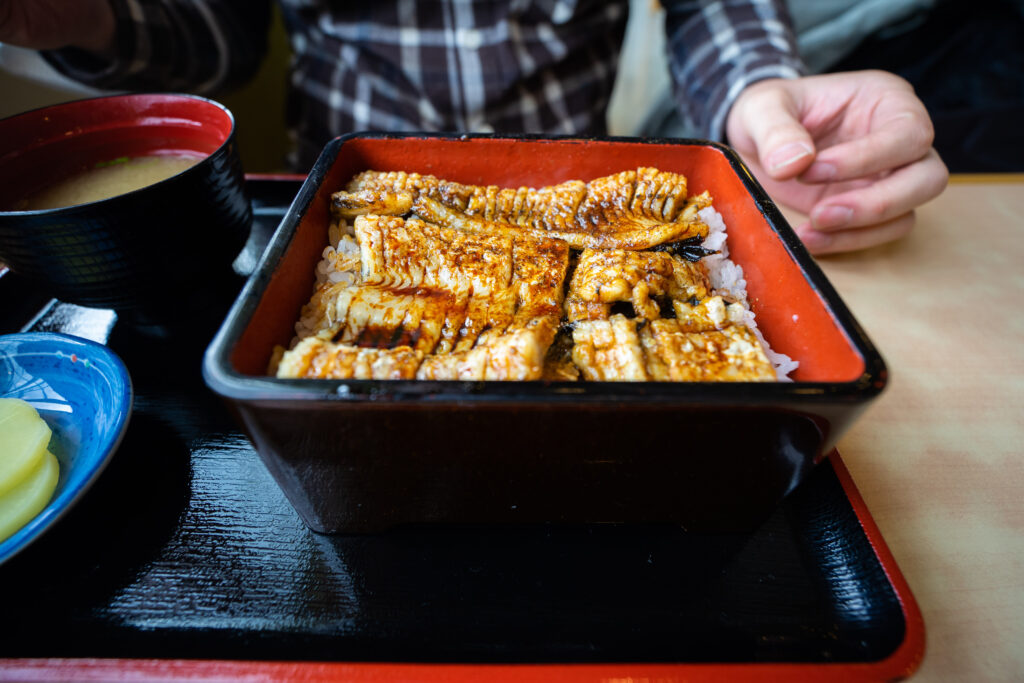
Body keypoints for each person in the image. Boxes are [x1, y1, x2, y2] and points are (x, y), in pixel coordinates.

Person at [0, 0, 947, 255]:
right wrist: (84, 18)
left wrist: (758, 96)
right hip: (339, 204)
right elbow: (226, 39)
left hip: (578, 198)